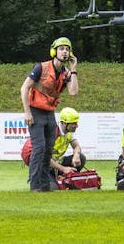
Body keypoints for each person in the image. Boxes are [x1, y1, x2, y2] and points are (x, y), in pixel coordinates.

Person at [20, 36, 78, 192]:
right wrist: (27, 112)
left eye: (67, 49)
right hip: (35, 111)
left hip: (49, 112)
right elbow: (24, 88)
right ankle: (34, 185)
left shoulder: (66, 72)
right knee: (38, 148)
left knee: (48, 149)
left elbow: (73, 92)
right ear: (54, 51)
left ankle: (45, 185)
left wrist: (74, 69)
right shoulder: (41, 67)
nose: (65, 52)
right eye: (61, 49)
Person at [50, 107, 86, 177]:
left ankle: (70, 177)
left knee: (81, 157)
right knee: (52, 187)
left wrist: (76, 155)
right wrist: (63, 169)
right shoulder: (52, 132)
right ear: (64, 123)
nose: (76, 126)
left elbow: (76, 146)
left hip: (57, 163)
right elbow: (43, 158)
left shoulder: (68, 132)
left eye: (76, 123)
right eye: (74, 123)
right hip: (46, 165)